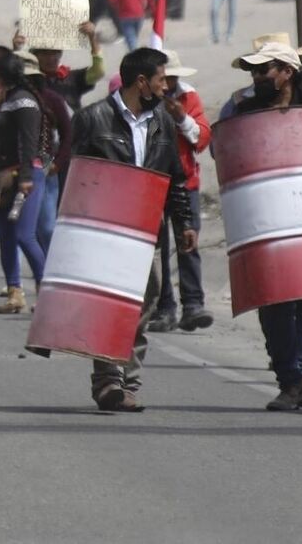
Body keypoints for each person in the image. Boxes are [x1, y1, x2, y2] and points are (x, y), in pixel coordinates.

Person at [68, 48, 198, 413]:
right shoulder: (92, 119)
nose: (164, 87)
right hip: (104, 232)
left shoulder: (163, 122)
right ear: (141, 82)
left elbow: (174, 178)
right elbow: (75, 178)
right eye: (160, 80)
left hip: (148, 230)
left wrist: (184, 222)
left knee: (143, 305)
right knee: (108, 305)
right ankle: (108, 380)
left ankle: (128, 379)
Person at [228, 39, 302, 411]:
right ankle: (290, 378)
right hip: (266, 219)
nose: (257, 77)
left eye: (263, 70)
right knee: (272, 300)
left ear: (286, 72)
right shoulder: (243, 111)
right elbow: (226, 154)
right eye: (253, 71)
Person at [147, 49, 214, 333]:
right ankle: (165, 307)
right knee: (160, 248)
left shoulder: (188, 97)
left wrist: (182, 118)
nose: (167, 84)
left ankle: (193, 304)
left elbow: (201, 138)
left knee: (188, 242)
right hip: (155, 180)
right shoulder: (145, 100)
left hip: (185, 181)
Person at [0, 52, 50, 314]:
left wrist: (24, 179)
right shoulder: (6, 100)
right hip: (3, 178)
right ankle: (15, 293)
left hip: (25, 176)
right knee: (7, 236)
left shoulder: (25, 102)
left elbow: (29, 142)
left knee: (25, 234)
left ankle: (45, 293)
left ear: (1, 76)